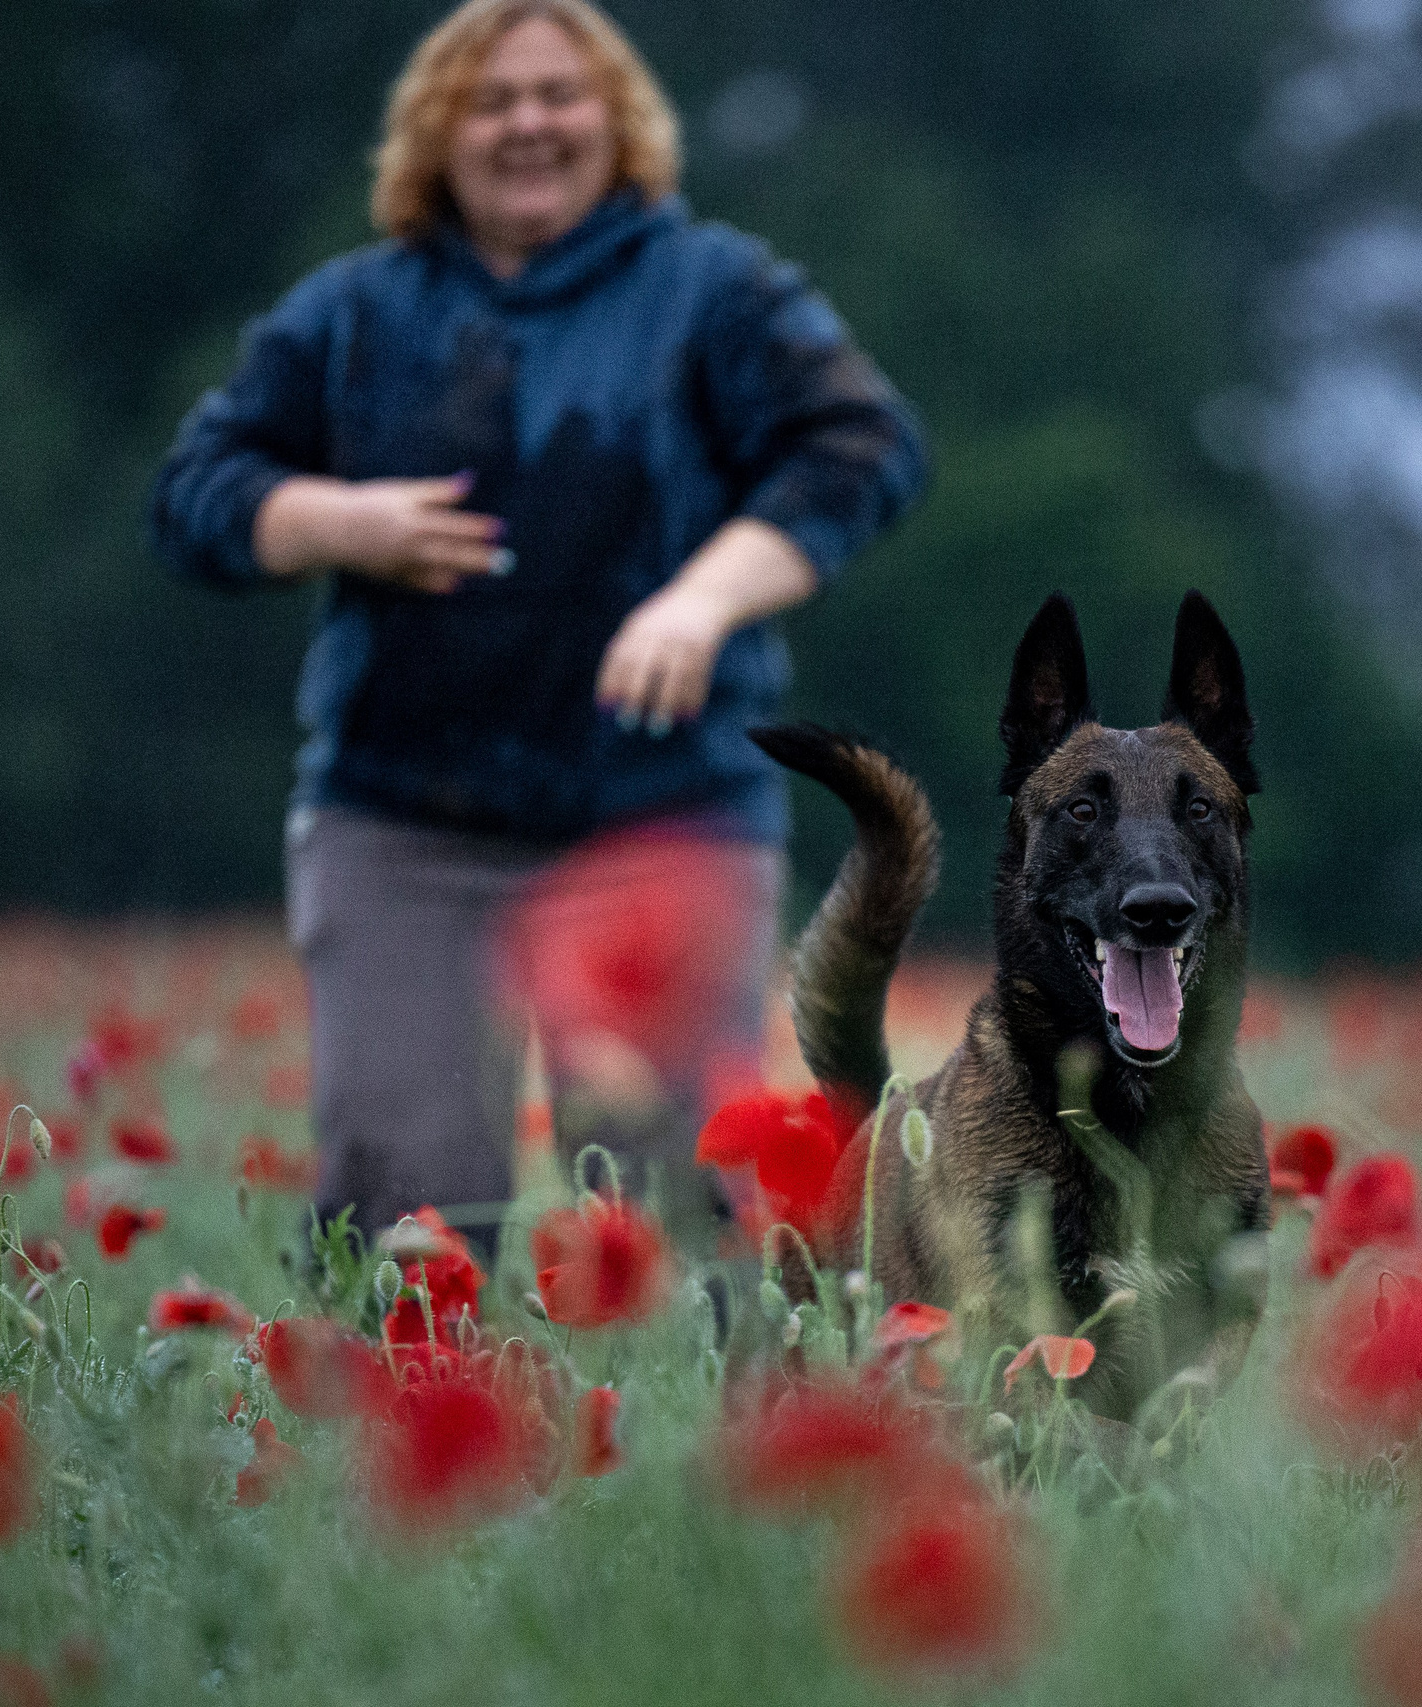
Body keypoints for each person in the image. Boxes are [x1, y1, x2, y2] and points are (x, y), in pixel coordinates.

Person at [148, 0, 926, 1250]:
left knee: (691, 1202)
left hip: (660, 811)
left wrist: (700, 596)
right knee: (404, 1217)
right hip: (402, 823)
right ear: (433, 134)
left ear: (615, 121)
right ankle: (417, 1436)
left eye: (559, 93)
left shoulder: (711, 289)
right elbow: (193, 494)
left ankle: (723, 1440)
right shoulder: (352, 312)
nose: (528, 123)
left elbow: (863, 447)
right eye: (491, 98)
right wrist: (334, 521)